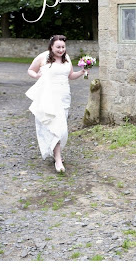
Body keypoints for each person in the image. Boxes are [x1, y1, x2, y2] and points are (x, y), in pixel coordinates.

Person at [26, 34, 87, 172]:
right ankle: (58, 160)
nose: (61, 50)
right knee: (55, 126)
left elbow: (70, 76)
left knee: (61, 128)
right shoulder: (43, 57)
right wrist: (36, 76)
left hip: (64, 97)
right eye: (58, 47)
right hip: (49, 96)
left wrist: (82, 72)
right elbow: (30, 70)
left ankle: (55, 152)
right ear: (51, 47)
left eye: (63, 47)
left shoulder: (67, 59)